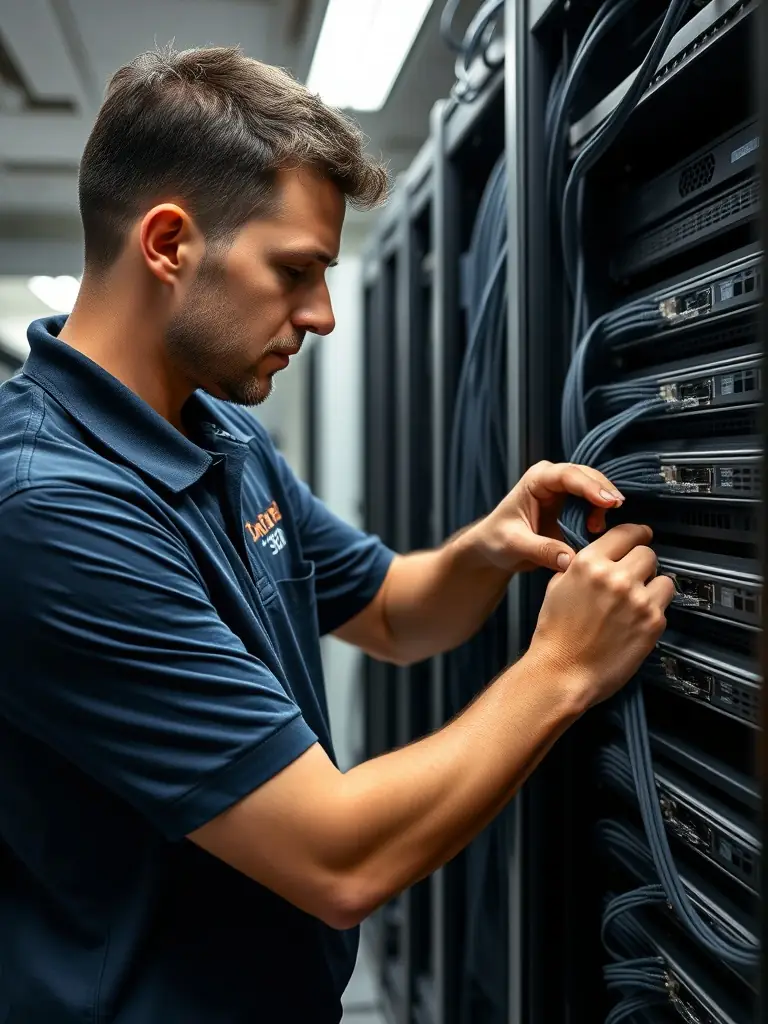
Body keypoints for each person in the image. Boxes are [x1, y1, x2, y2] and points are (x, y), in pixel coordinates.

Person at [0, 45, 675, 1024]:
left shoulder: (219, 432)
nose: (320, 314)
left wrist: (487, 549)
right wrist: (563, 668)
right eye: (296, 271)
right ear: (168, 243)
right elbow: (337, 856)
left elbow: (394, 611)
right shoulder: (53, 511)